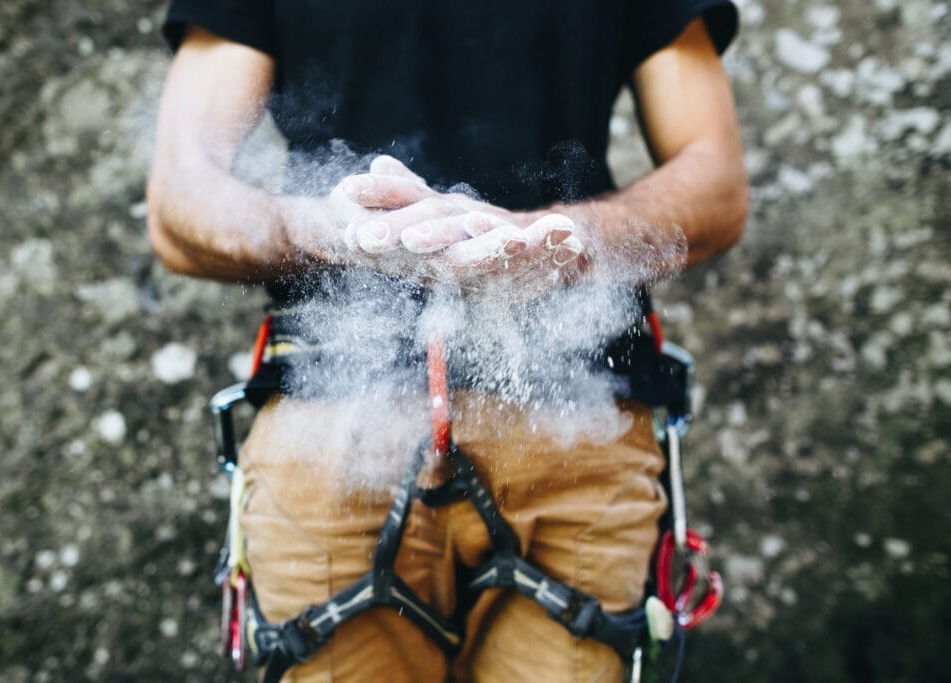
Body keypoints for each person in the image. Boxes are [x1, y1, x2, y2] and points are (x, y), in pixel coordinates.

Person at [147, 1, 747, 681]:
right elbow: (180, 200)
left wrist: (569, 241)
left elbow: (717, 183)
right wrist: (329, 231)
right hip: (357, 428)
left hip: (562, 425)